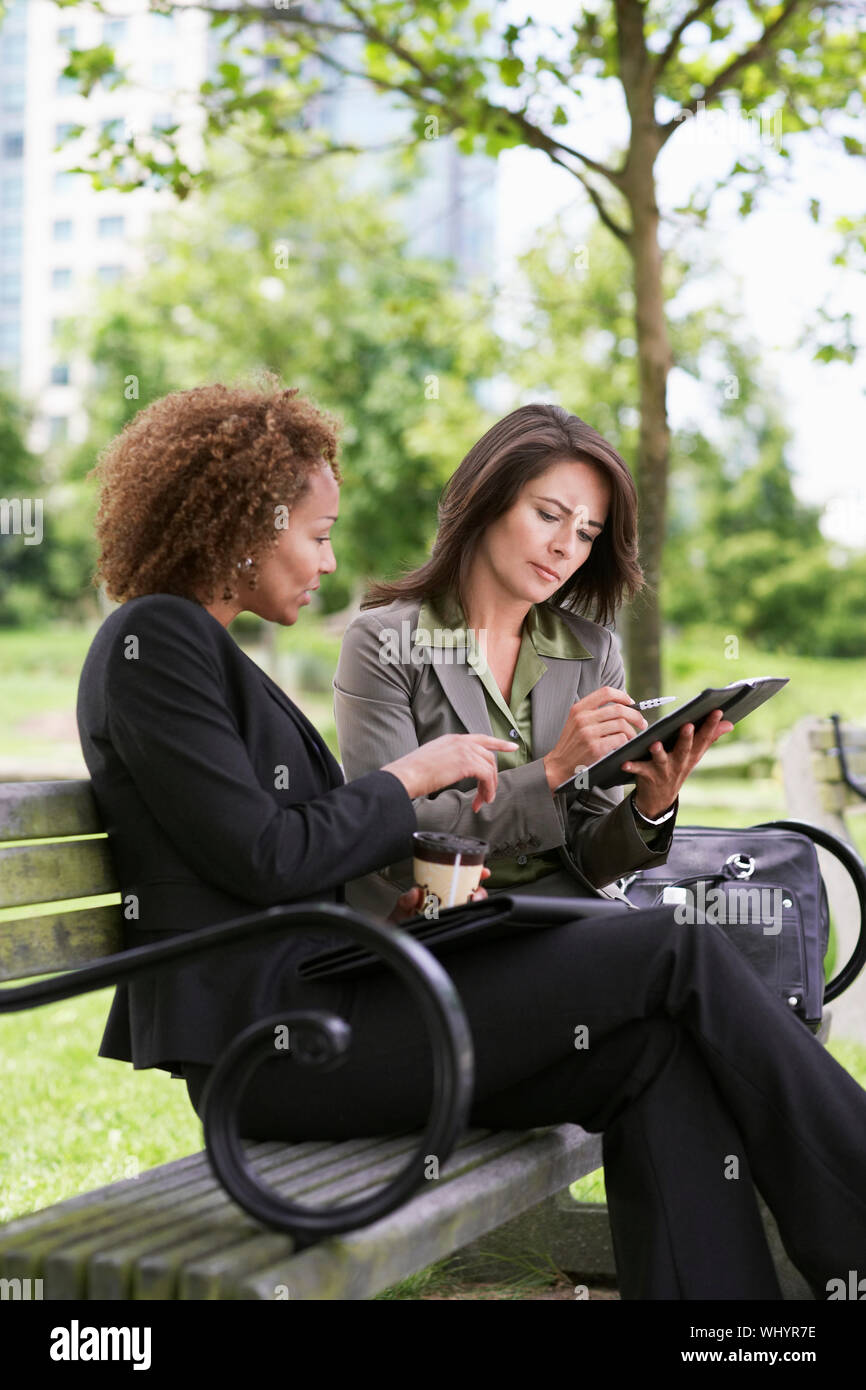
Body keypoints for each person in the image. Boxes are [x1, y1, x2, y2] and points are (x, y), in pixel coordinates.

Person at [76, 376, 866, 1300]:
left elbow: (274, 854)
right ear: (245, 523)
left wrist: (410, 899)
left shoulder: (201, 651)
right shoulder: (156, 641)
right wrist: (409, 778)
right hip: (276, 1048)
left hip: (335, 1002)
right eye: (318, 535)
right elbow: (264, 856)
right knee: (676, 945)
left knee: (660, 1053)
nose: (331, 563)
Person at [334, 402, 731, 919]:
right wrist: (551, 771)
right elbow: (391, 842)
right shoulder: (383, 641)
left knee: (690, 936)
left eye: (587, 534)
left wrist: (650, 806)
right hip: (436, 924)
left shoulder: (595, 653)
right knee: (682, 952)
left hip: (562, 915)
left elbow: (589, 857)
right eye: (548, 516)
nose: (566, 547)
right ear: (486, 501)